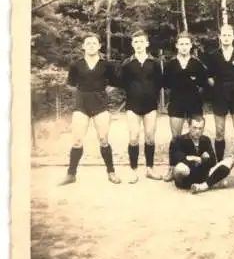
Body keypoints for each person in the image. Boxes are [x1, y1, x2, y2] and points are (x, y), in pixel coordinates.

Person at [59, 33, 121, 185]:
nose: (91, 45)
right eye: (88, 43)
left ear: (99, 46)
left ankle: (111, 172)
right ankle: (71, 174)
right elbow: (70, 84)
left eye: (94, 43)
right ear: (83, 46)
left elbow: (113, 84)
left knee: (103, 140)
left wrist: (100, 93)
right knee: (77, 140)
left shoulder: (106, 65)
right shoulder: (76, 65)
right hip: (81, 106)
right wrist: (83, 94)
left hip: (100, 105)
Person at [200, 24, 234, 177]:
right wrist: (219, 88)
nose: (226, 37)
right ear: (220, 37)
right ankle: (219, 164)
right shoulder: (213, 55)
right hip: (220, 94)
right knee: (220, 131)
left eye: (229, 35)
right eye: (224, 35)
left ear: (233, 37)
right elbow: (209, 77)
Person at [162, 32, 209, 181]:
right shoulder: (170, 65)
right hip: (176, 104)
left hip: (194, 104)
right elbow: (167, 86)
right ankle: (172, 167)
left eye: (186, 44)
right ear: (177, 46)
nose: (184, 47)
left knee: (196, 135)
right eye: (181, 44)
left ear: (191, 45)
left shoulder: (197, 64)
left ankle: (200, 167)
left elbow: (203, 85)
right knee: (176, 137)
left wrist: (194, 96)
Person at [119, 29, 163, 184]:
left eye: (141, 41)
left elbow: (159, 83)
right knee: (133, 137)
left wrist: (152, 95)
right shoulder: (127, 63)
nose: (139, 44)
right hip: (132, 105)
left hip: (150, 105)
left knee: (150, 137)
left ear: (147, 43)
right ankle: (133, 170)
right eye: (136, 42)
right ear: (132, 44)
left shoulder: (155, 62)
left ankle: (150, 169)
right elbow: (122, 83)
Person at [169, 115, 225, 191]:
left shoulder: (206, 140)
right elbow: (176, 158)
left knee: (224, 175)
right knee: (180, 168)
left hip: (201, 174)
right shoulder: (180, 140)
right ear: (189, 126)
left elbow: (213, 161)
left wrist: (196, 159)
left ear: (203, 128)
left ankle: (201, 185)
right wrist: (198, 159)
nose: (197, 131)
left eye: (200, 128)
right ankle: (204, 184)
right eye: (194, 128)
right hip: (186, 176)